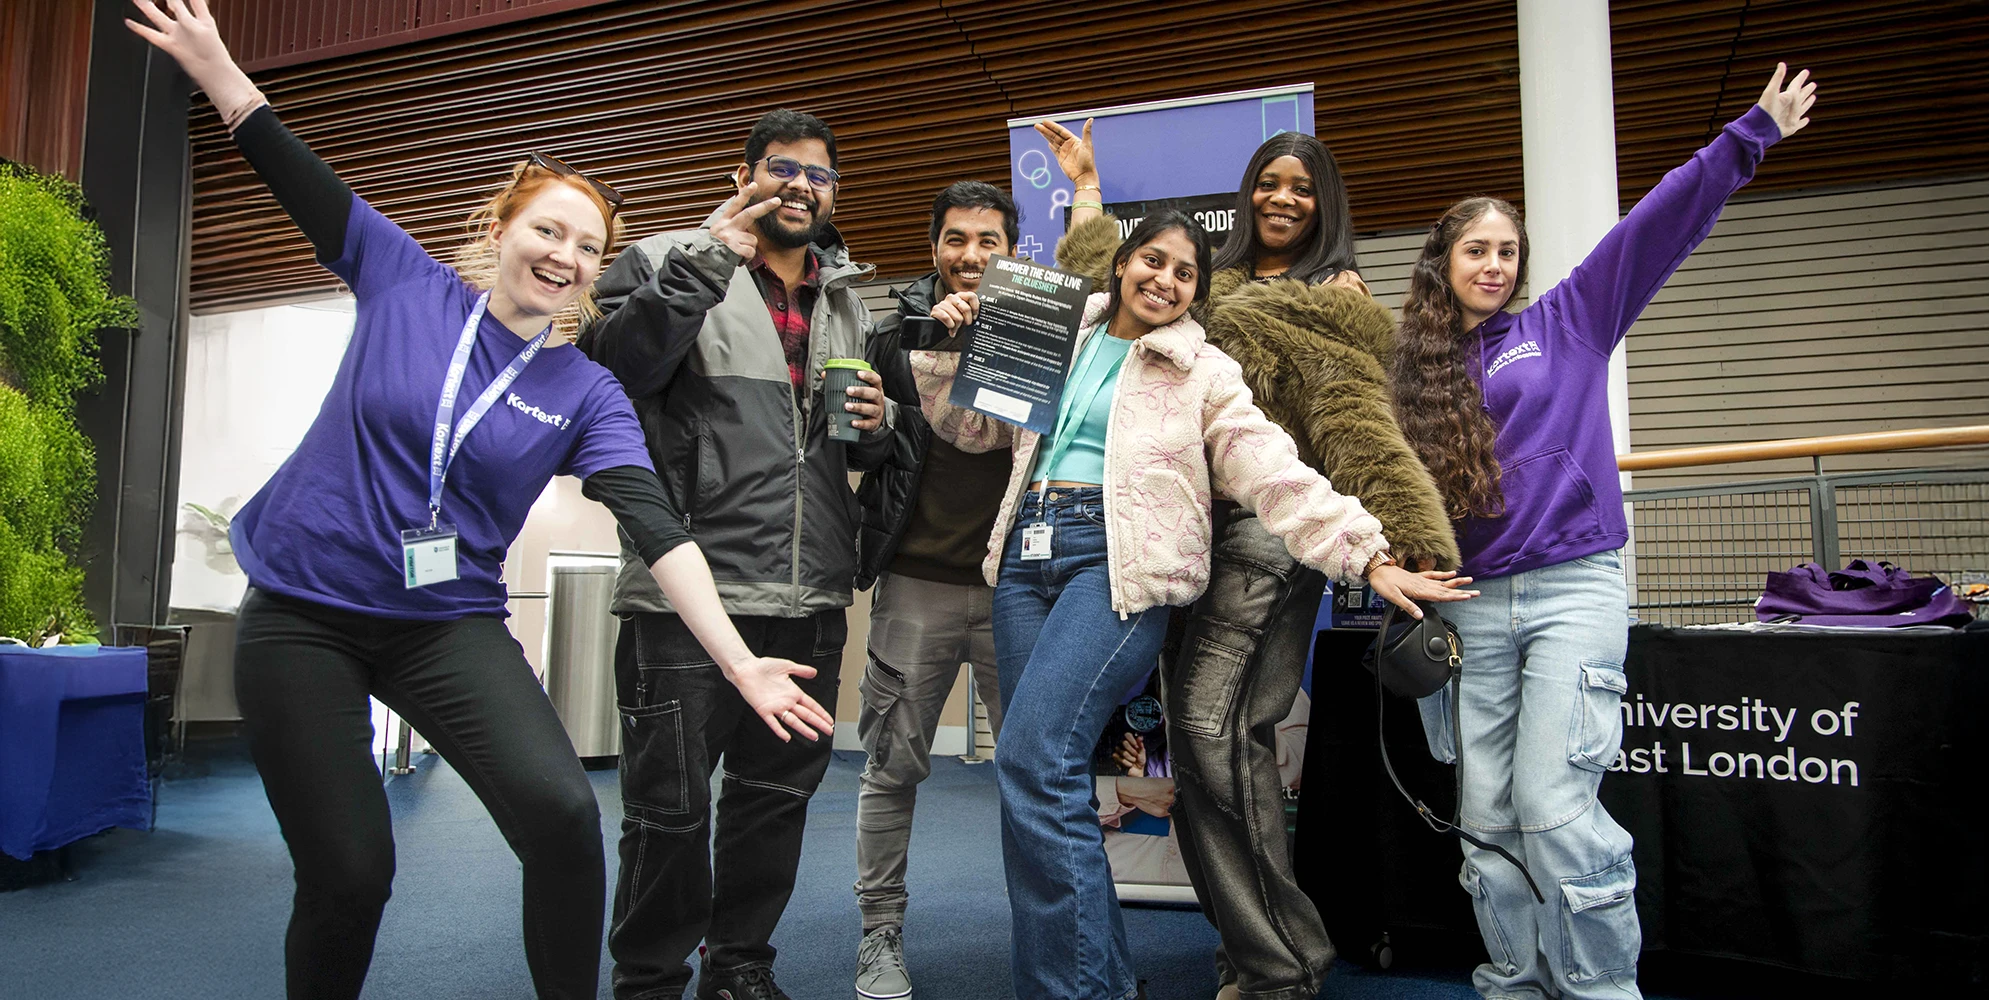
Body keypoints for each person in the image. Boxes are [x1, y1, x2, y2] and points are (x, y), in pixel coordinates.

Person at [123, 4, 832, 999]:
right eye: (548, 229)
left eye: (587, 247)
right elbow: (296, 172)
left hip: (442, 622)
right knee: (352, 870)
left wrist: (739, 660)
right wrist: (216, 70)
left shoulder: (584, 389)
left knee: (561, 815)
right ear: (501, 230)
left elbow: (658, 528)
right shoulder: (403, 283)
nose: (566, 255)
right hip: (302, 614)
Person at [910, 210, 1475, 999]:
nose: (1164, 280)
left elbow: (1272, 470)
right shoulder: (1060, 335)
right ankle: (1101, 976)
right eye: (1153, 260)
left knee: (1032, 760)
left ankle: (1073, 993)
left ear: (1195, 294)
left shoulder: (1202, 371)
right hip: (1022, 561)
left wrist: (1370, 555)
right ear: (1122, 264)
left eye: (1184, 273)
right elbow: (967, 430)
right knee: (1046, 778)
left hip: (1116, 567)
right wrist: (950, 349)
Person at [1391, 64, 1817, 1000]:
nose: (1495, 264)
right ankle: (1515, 981)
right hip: (1468, 609)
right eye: (1476, 251)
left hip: (1571, 587)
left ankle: (1596, 991)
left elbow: (1655, 225)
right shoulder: (1411, 371)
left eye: (1508, 249)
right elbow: (1388, 487)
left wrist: (1749, 135)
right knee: (1487, 817)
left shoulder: (1568, 322)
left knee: (1553, 807)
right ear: (1442, 263)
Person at [1037, 119, 1459, 1000]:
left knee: (1211, 731)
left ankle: (1282, 961)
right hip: (1182, 533)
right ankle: (1256, 950)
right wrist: (1083, 188)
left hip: (1271, 536)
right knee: (1203, 752)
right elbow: (1096, 279)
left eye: (1303, 187)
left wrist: (1400, 543)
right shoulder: (1204, 287)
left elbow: (1358, 429)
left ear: (1325, 204)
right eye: (1270, 182)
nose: (1283, 198)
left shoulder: (1335, 302)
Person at [579, 108, 888, 1000]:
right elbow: (615, 372)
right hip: (686, 597)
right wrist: (709, 264)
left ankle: (740, 966)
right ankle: (648, 980)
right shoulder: (668, 259)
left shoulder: (848, 299)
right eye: (782, 168)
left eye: (820, 174)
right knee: (667, 814)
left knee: (771, 804)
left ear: (836, 192)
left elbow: (842, 452)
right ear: (743, 173)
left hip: (811, 597)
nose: (800, 185)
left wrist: (879, 426)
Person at [850, 180, 1020, 1000]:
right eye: (958, 239)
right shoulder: (891, 339)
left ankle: (1054, 931)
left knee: (1035, 769)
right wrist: (933, 344)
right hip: (915, 583)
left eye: (990, 241)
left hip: (1017, 587)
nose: (972, 256)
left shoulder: (1042, 332)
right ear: (935, 249)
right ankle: (879, 933)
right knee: (893, 766)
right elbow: (861, 454)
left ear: (1011, 252)